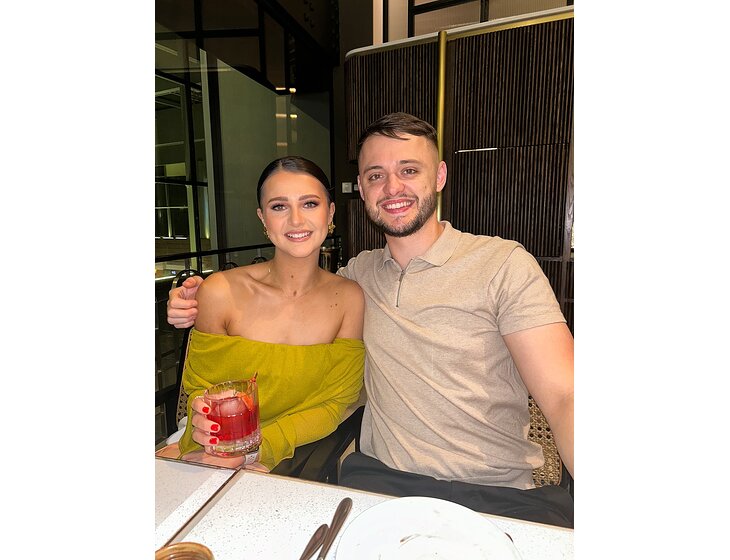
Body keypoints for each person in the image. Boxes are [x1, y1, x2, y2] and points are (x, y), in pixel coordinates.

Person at [167, 113, 574, 527]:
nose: (392, 187)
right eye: (376, 175)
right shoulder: (357, 280)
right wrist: (197, 297)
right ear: (361, 189)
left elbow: (566, 396)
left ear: (439, 176)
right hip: (383, 482)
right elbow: (286, 313)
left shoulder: (502, 264)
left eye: (409, 170)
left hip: (496, 492)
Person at [160, 156, 365, 472]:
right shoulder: (220, 291)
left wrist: (260, 450)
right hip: (214, 450)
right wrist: (214, 438)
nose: (296, 220)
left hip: (298, 453)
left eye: (310, 204)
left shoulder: (349, 298)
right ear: (263, 217)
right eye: (279, 206)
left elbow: (335, 404)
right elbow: (201, 391)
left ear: (330, 212)